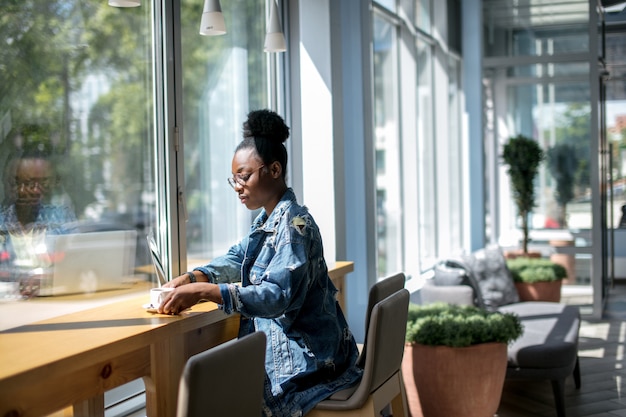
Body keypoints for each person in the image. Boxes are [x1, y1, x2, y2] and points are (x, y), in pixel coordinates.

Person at [158, 109, 362, 416]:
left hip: (311, 368)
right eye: (234, 179)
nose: (238, 186)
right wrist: (194, 277)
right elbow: (238, 255)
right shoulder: (269, 220)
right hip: (317, 356)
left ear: (274, 170)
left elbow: (276, 296)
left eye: (244, 176)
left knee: (217, 395)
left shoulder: (295, 226)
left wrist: (205, 292)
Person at [0, 139, 77, 297]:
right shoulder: (2, 224)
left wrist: (46, 279)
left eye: (43, 184)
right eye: (29, 184)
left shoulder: (62, 218)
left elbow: (79, 263)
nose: (36, 191)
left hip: (58, 302)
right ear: (12, 186)